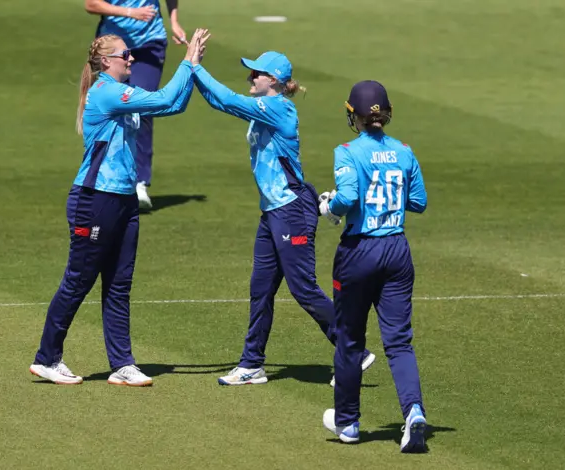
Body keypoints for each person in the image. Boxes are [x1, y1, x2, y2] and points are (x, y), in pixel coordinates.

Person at [29, 30, 208, 386]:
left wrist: (193, 68)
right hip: (94, 199)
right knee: (78, 280)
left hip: (123, 199)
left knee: (118, 284)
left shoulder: (122, 94)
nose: (131, 59)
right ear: (106, 61)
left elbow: (172, 104)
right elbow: (164, 98)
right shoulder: (108, 92)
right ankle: (47, 358)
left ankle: (122, 364)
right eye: (125, 54)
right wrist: (187, 62)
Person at [191, 52, 374, 386]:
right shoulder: (264, 107)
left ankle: (355, 352)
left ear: (272, 80)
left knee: (303, 288)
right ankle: (252, 364)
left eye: (255, 74)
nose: (250, 79)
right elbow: (222, 102)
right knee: (260, 288)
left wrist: (195, 68)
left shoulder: (279, 108)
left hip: (292, 209)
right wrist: (192, 72)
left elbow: (227, 100)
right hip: (273, 210)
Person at [319, 80, 428, 452]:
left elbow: (347, 197)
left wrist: (329, 209)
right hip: (397, 249)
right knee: (399, 341)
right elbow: (418, 202)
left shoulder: (347, 151)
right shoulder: (404, 151)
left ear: (355, 115)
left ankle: (347, 423)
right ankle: (413, 412)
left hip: (359, 251)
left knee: (350, 339)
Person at [84, 1, 187, 211]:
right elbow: (91, 4)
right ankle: (103, 177)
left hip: (151, 42)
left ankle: (139, 182)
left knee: (143, 108)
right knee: (109, 112)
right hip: (113, 47)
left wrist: (174, 21)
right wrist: (130, 12)